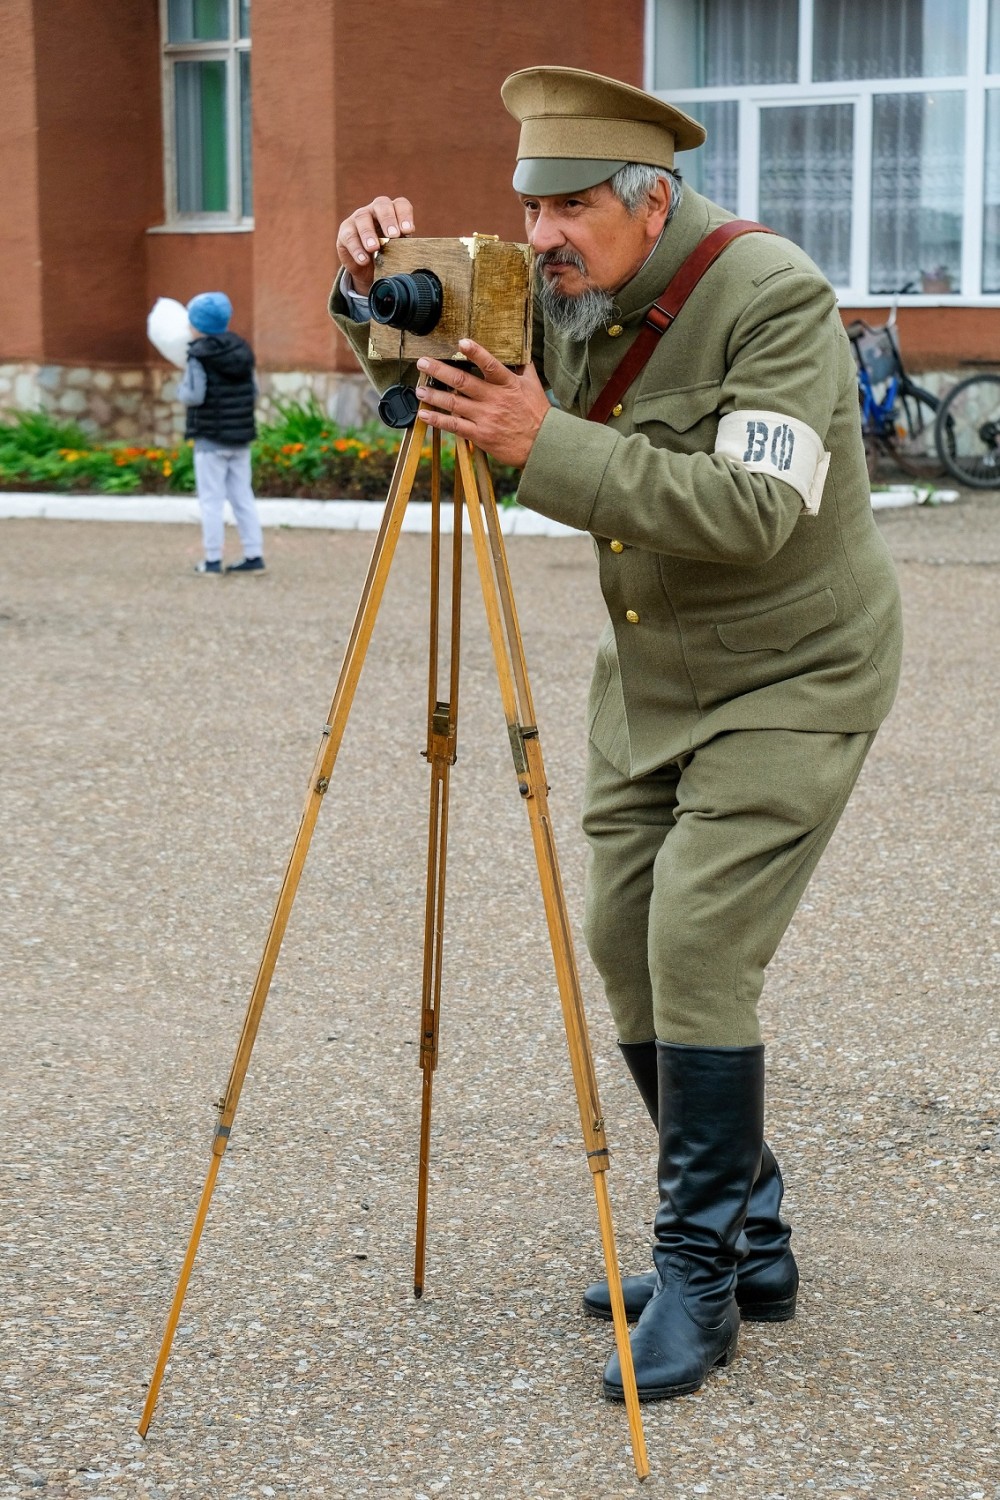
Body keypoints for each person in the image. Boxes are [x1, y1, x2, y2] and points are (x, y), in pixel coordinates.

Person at [328, 67, 902, 1404]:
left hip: (795, 671)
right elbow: (455, 383)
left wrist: (543, 440)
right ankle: (754, 1236)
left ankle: (698, 1274)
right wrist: (374, 295)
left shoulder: (771, 297)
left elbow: (754, 510)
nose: (542, 239)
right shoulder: (566, 287)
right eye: (532, 209)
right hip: (651, 674)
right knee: (623, 939)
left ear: (652, 202)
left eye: (572, 208)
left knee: (695, 944)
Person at [177, 291, 266, 576]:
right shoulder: (242, 349)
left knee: (211, 501)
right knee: (243, 497)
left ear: (198, 325)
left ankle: (213, 560)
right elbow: (254, 392)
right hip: (240, 437)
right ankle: (254, 555)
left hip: (209, 439)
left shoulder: (198, 355)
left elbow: (194, 395)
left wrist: (181, 389)